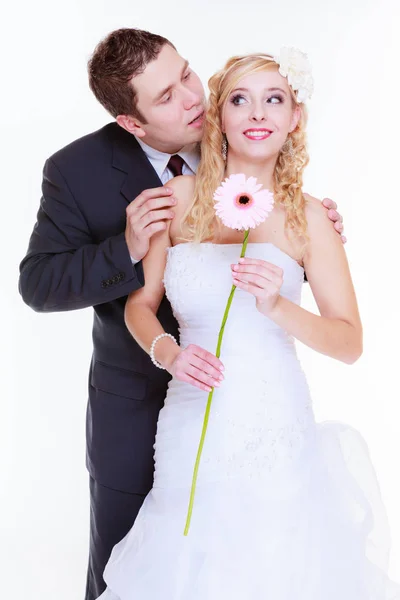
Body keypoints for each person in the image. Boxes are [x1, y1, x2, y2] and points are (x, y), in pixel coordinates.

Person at [18, 29, 346, 599]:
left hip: (255, 405)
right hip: (141, 398)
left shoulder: (239, 128)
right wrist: (125, 247)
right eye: (166, 97)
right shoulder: (77, 170)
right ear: (132, 123)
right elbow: (39, 283)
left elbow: (284, 205)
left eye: (188, 75)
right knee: (131, 567)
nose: (193, 99)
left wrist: (316, 233)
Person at [97, 49, 400, 599]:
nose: (258, 113)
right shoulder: (179, 199)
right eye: (240, 99)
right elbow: (140, 307)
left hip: (274, 423)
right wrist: (169, 353)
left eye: (274, 99)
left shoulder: (310, 219)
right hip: (190, 424)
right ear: (218, 116)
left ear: (294, 119)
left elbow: (350, 342)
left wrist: (277, 305)